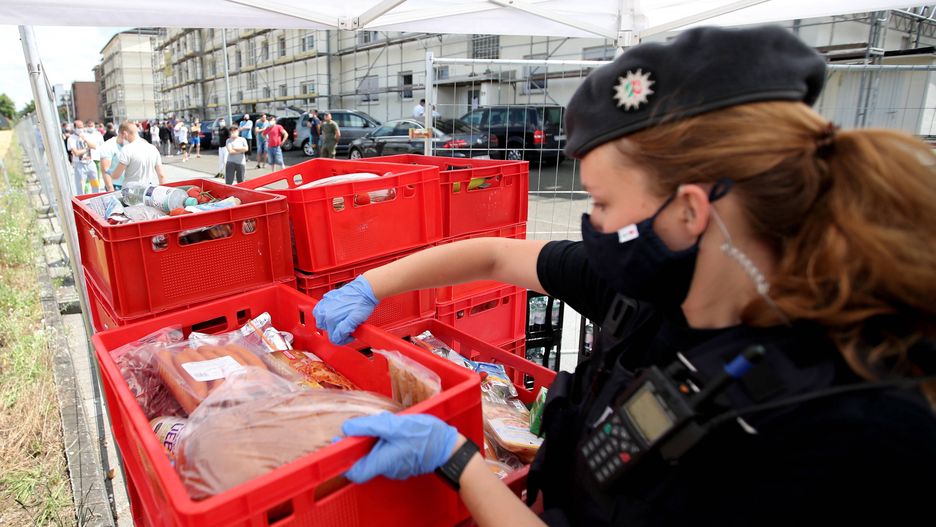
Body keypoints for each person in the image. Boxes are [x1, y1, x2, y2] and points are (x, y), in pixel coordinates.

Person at [311, 26, 936, 526]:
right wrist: (371, 287)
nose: (594, 224)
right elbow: (497, 256)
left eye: (604, 203)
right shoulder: (655, 292)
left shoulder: (844, 431)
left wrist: (459, 464)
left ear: (690, 212)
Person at [109, 121, 166, 188]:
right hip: (147, 189)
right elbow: (161, 176)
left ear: (125, 134)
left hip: (130, 190)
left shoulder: (127, 149)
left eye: (121, 136)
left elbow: (116, 175)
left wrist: (108, 172)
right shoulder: (153, 148)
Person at [65, 120, 99, 194]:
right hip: (79, 165)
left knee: (95, 184)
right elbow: (76, 153)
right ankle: (82, 199)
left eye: (82, 127)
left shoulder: (86, 136)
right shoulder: (71, 139)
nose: (81, 129)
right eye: (79, 127)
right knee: (81, 187)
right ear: (74, 128)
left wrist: (85, 139)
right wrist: (87, 149)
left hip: (90, 163)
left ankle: (96, 197)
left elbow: (94, 146)